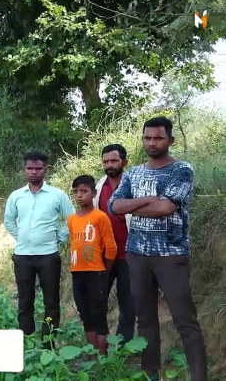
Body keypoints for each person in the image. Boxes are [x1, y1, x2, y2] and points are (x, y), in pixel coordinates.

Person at [108, 117, 207, 381]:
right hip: (137, 254)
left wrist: (135, 204)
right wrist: (148, 200)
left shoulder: (181, 170)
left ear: (170, 140)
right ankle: (150, 373)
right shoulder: (133, 173)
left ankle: (198, 376)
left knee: (185, 319)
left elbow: (167, 208)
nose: (152, 143)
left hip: (171, 255)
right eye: (147, 138)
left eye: (158, 138)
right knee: (145, 318)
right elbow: (113, 206)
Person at [3, 151, 75, 348]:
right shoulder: (16, 196)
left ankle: (48, 343)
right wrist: (22, 237)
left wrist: (59, 238)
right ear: (24, 170)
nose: (34, 172)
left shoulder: (57, 195)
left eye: (38, 168)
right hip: (22, 256)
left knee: (51, 301)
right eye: (30, 168)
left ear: (46, 169)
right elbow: (8, 220)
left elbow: (71, 219)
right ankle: (27, 341)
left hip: (48, 256)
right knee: (25, 300)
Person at [68, 175, 117, 356]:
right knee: (85, 312)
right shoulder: (72, 219)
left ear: (93, 193)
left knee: (98, 313)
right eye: (76, 192)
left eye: (84, 191)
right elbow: (74, 243)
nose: (79, 195)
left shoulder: (100, 217)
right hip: (77, 272)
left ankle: (102, 356)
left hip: (96, 272)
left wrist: (104, 270)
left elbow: (110, 247)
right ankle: (93, 353)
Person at [93, 144, 135, 345]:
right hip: (104, 255)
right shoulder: (99, 186)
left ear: (124, 162)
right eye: (106, 161)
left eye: (114, 160)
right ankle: (99, 343)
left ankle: (122, 346)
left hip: (129, 255)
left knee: (127, 303)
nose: (109, 165)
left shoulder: (135, 185)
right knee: (97, 299)